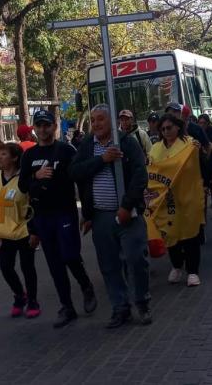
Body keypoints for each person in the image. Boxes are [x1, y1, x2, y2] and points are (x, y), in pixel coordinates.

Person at [69, 104, 152, 328]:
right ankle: (120, 308)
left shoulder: (127, 143)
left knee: (136, 260)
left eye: (100, 119)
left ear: (113, 121)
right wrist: (102, 160)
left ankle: (142, 304)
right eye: (93, 120)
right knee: (109, 265)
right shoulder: (87, 145)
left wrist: (126, 206)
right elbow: (75, 172)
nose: (95, 124)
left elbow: (139, 176)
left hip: (128, 214)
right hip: (101, 217)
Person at [18, 109, 98, 328]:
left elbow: (81, 179)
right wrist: (36, 175)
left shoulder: (65, 150)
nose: (43, 130)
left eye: (46, 125)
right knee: (54, 263)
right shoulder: (29, 156)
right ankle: (67, 307)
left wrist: (87, 212)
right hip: (42, 216)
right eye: (39, 125)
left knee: (70, 255)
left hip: (65, 212)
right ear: (34, 129)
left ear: (54, 126)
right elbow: (22, 185)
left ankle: (86, 286)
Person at [0, 143, 41, 319]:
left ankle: (33, 301)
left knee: (27, 267)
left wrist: (35, 231)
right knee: (6, 268)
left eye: (4, 154)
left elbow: (35, 204)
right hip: (1, 232)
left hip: (23, 230)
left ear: (14, 158)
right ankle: (19, 296)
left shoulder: (24, 179)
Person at [149, 113, 205, 287]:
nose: (166, 131)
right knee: (169, 232)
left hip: (188, 196)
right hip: (166, 199)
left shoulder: (190, 144)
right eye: (163, 129)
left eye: (169, 128)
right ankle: (176, 266)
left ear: (178, 127)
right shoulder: (155, 148)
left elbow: (202, 165)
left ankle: (193, 271)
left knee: (189, 233)